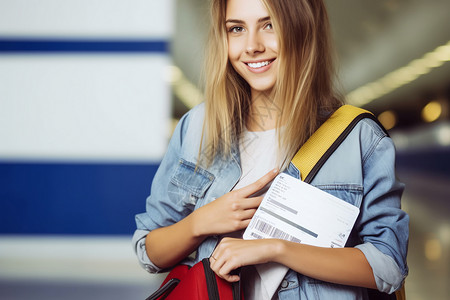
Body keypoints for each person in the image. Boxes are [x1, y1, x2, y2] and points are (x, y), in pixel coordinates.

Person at [133, 0, 409, 299]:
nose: (252, 46)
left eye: (269, 25)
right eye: (236, 29)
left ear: (302, 29)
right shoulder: (197, 128)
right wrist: (201, 222)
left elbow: (388, 265)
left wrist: (276, 248)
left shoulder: (357, 138)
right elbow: (149, 251)